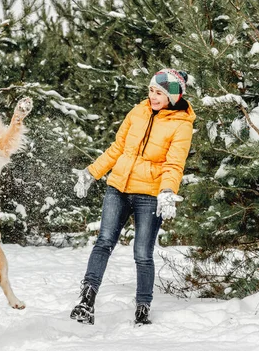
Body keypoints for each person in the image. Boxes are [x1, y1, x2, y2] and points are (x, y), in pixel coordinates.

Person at [70, 68, 196, 326]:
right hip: (118, 187)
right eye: (151, 90)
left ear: (172, 96)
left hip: (149, 195)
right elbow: (117, 148)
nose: (153, 96)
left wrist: (168, 191)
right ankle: (86, 301)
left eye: (159, 92)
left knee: (142, 253)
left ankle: (142, 308)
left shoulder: (181, 125)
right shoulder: (137, 112)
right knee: (104, 242)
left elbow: (174, 165)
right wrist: (91, 172)